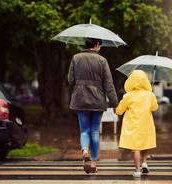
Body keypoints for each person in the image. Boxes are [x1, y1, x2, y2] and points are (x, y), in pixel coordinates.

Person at [67, 38, 118, 174]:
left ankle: (84, 150)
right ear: (96, 45)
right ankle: (94, 163)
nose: (100, 48)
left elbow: (70, 80)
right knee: (95, 131)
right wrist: (114, 104)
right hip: (97, 100)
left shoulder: (76, 58)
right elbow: (109, 85)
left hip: (80, 98)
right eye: (100, 45)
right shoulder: (102, 61)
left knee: (84, 130)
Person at [116, 70, 158, 178]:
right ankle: (144, 162)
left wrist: (118, 108)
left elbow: (119, 111)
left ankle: (138, 170)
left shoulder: (128, 96)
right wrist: (151, 96)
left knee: (136, 148)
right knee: (145, 144)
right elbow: (155, 108)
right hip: (146, 125)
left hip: (133, 126)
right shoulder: (150, 95)